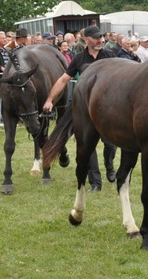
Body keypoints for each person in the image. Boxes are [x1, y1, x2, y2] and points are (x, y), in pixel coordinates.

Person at [42, 25, 117, 191]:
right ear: (86, 39)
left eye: (101, 37)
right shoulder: (79, 59)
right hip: (85, 106)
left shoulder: (110, 56)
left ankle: (110, 166)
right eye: (97, 38)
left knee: (111, 144)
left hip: (107, 107)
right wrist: (49, 99)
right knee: (87, 144)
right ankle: (95, 183)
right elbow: (63, 80)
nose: (101, 40)